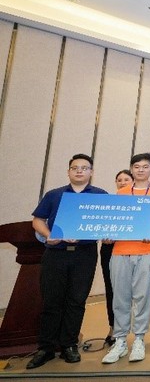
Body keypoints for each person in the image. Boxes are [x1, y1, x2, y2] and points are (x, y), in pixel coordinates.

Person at [27, 154, 108, 369]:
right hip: (56, 254)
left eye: (84, 168)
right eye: (75, 168)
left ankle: (69, 345)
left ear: (91, 172)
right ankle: (46, 347)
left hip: (85, 254)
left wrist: (109, 234)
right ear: (69, 171)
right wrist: (49, 235)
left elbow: (107, 224)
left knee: (76, 300)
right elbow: (37, 220)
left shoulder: (100, 195)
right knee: (51, 301)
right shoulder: (54, 195)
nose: (79, 171)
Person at [102, 153, 150, 364]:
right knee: (120, 297)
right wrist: (108, 235)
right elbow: (114, 222)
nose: (141, 170)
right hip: (120, 251)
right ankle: (120, 340)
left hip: (146, 251)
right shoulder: (121, 193)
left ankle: (139, 339)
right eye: (137, 166)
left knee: (142, 296)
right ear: (132, 169)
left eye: (145, 166)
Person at [99, 169, 134, 346]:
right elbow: (99, 225)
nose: (122, 182)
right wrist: (103, 236)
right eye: (119, 180)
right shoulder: (109, 203)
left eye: (126, 179)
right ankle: (113, 327)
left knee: (132, 292)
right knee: (111, 289)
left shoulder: (139, 204)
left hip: (133, 249)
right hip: (110, 249)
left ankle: (132, 330)